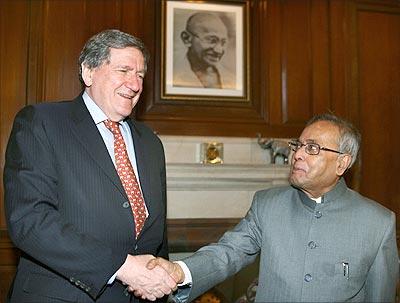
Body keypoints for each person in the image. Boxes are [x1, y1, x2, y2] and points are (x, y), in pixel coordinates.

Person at [147, 114, 399, 302]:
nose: (298, 154)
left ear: (342, 163)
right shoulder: (267, 205)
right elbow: (227, 253)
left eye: (312, 148)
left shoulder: (378, 223)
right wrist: (179, 271)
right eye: (297, 145)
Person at [4, 29, 177, 302]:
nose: (134, 84)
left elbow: (157, 234)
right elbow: (30, 220)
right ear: (88, 72)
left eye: (140, 75)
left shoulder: (151, 143)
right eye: (123, 70)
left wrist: (158, 281)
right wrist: (122, 266)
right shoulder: (42, 122)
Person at [173, 12, 236, 89]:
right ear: (187, 39)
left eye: (223, 43)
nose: (219, 51)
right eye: (212, 40)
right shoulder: (173, 76)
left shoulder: (232, 79)